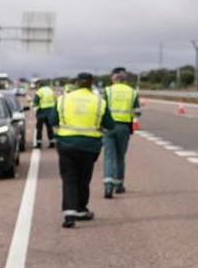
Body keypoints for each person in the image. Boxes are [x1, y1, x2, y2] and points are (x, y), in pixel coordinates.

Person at [46, 72, 114, 227]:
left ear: (76, 83)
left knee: (69, 178)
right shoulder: (99, 101)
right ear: (91, 83)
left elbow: (52, 120)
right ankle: (81, 210)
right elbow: (110, 125)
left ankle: (69, 213)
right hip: (89, 147)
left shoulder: (63, 99)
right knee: (84, 179)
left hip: (66, 145)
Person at [102, 67, 141, 197]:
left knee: (108, 157)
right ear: (125, 80)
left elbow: (101, 108)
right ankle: (119, 185)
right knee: (120, 157)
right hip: (124, 127)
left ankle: (108, 186)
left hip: (108, 127)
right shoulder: (132, 92)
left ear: (115, 79)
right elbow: (137, 112)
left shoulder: (107, 91)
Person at [33, 77, 57, 148]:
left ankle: (39, 143)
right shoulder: (50, 90)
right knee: (49, 128)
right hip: (50, 112)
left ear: (39, 85)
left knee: (39, 128)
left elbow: (35, 103)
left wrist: (33, 106)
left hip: (41, 112)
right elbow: (55, 100)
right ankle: (52, 142)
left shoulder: (39, 92)